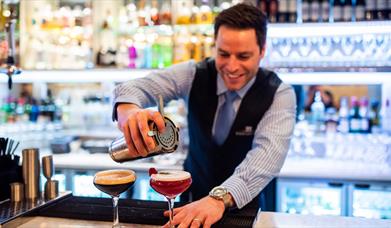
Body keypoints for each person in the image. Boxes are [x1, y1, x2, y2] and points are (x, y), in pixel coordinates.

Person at [112, 3, 296, 228]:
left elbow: (265, 158)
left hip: (251, 212)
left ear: (262, 50)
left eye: (244, 56)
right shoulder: (193, 74)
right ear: (214, 46)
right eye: (223, 54)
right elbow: (133, 88)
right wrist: (129, 111)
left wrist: (218, 199)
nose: (232, 66)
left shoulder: (279, 93)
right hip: (191, 204)